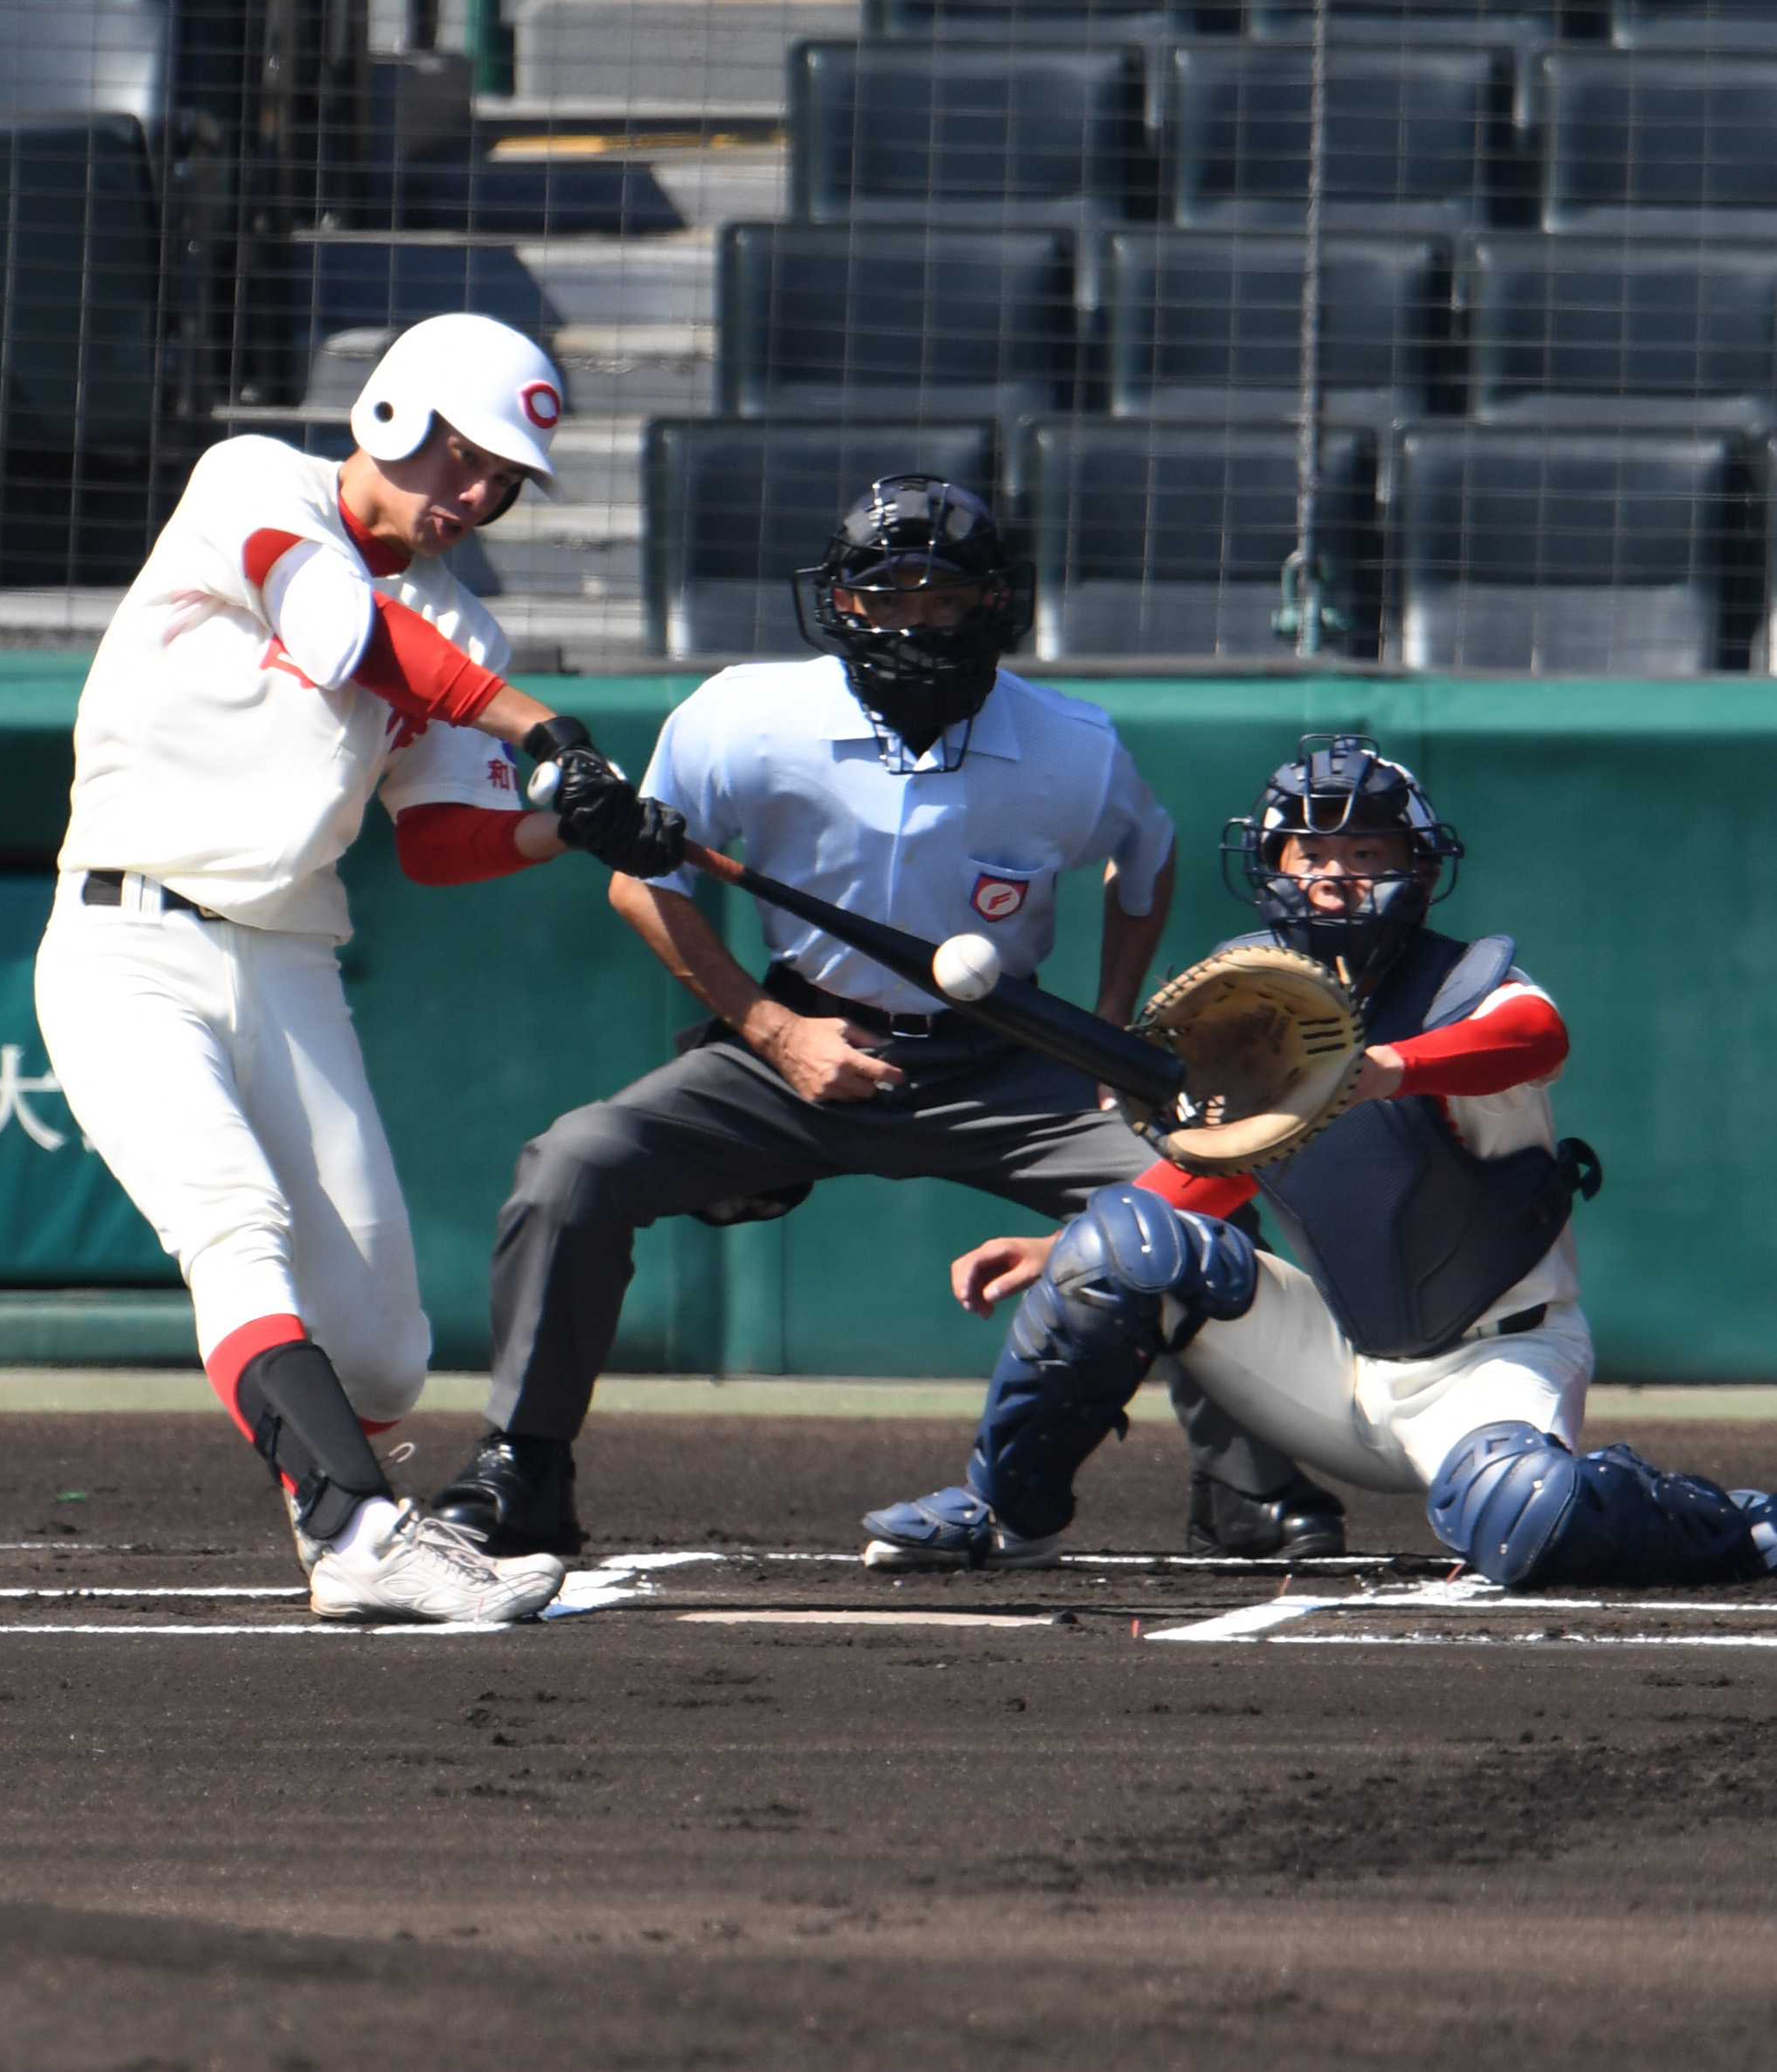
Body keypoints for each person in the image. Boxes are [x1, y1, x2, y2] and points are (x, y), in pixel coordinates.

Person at [454, 477, 1338, 1568]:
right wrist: (773, 1030)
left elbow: (1142, 866)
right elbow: (643, 883)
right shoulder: (741, 717)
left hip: (1008, 1057)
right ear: (842, 605)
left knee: (1200, 1205)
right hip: (789, 1046)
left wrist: (1108, 1034)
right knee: (573, 1167)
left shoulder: (1072, 744)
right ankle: (523, 1467)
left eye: (945, 596)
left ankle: (1242, 1481)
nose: (916, 618)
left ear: (990, 606)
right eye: (889, 594)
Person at [31, 312, 689, 1625]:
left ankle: (341, 1524)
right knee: (237, 1229)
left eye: (504, 477)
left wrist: (572, 824)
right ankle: (360, 1532)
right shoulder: (254, 482)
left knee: (385, 1343)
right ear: (393, 417)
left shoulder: (467, 627)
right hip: (124, 940)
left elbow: (439, 844)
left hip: (290, 959)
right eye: (465, 456)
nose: (481, 493)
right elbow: (343, 635)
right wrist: (537, 725)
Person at [862, 737, 1777, 1585]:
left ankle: (1732, 1524)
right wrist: (1058, 1246)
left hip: (1493, 1361)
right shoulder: (1254, 990)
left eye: (1368, 854)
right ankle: (1005, 1514)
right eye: (1311, 854)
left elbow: (1536, 1037)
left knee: (1523, 1515)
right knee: (1113, 1249)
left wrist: (1387, 1068)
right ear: (1272, 870)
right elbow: (1223, 1163)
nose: (1337, 877)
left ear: (1418, 869)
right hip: (1337, 1359)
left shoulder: (1466, 983)